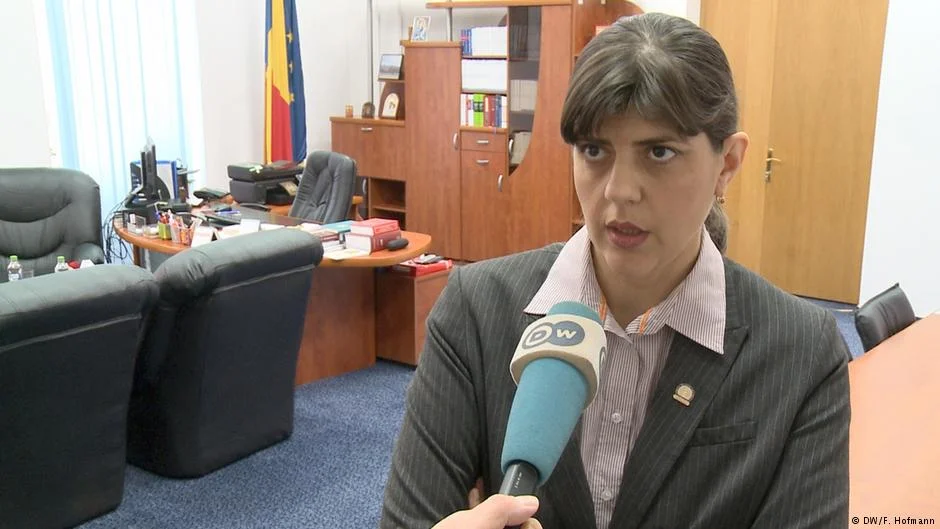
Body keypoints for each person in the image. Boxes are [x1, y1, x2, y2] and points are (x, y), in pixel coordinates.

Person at [381, 12, 850, 529]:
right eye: (594, 150)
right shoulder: (476, 310)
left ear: (728, 164)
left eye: (659, 152)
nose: (619, 191)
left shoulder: (802, 351)